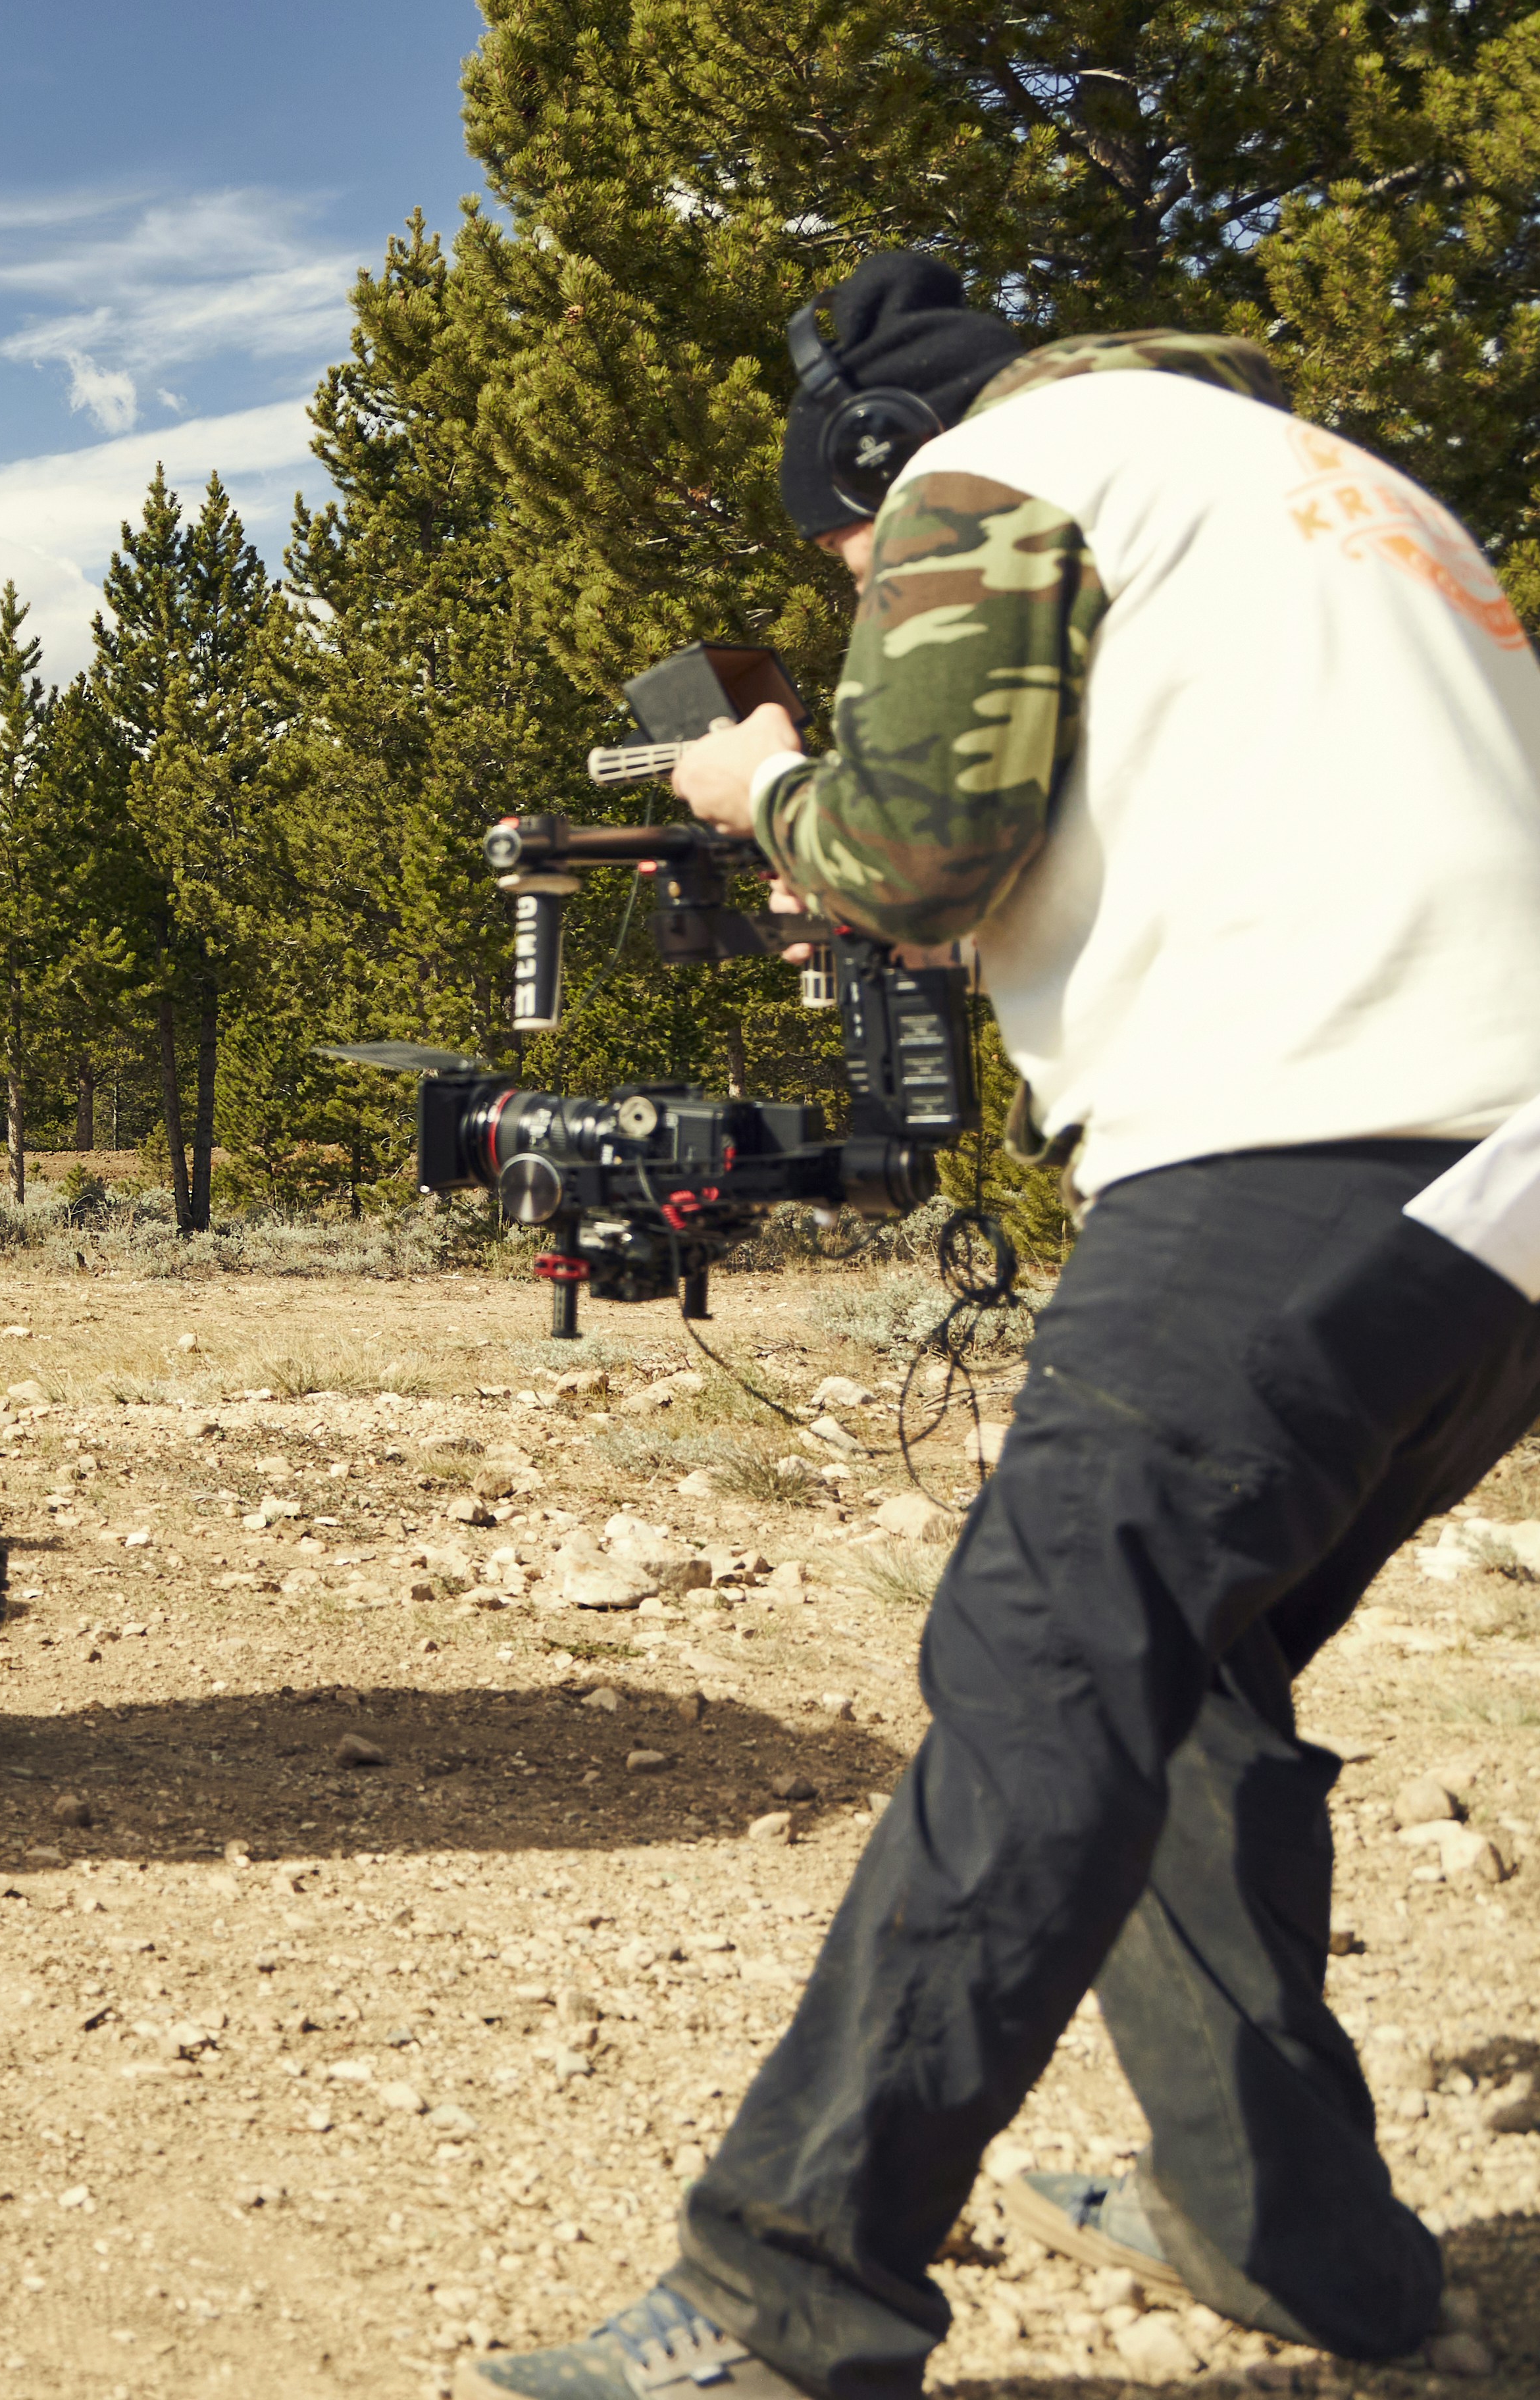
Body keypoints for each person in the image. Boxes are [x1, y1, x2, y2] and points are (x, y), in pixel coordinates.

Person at [468, 252, 1540, 2400]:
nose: (866, 591)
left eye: (843, 559)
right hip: (1498, 1205)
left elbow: (920, 830)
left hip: (1298, 1139)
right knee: (1187, 1675)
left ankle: (786, 2296)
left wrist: (766, 789)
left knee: (1046, 1671)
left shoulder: (997, 467)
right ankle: (1295, 2243)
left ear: (876, 465)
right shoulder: (1343, 493)